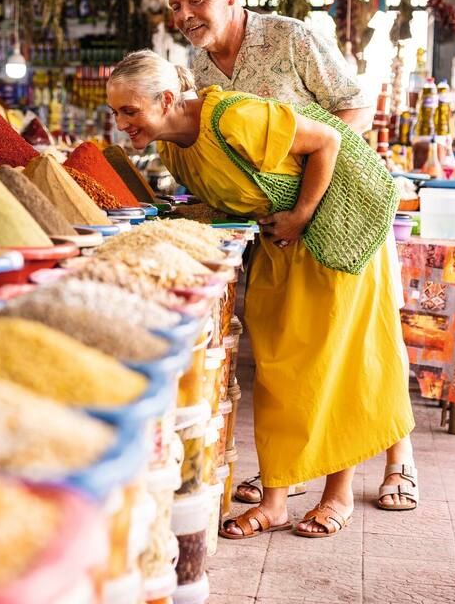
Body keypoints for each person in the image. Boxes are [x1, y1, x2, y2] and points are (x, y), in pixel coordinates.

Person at [107, 50, 415, 538]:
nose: (121, 123)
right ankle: (275, 500)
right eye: (115, 112)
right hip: (282, 241)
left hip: (337, 233)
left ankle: (338, 497)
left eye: (129, 111)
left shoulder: (234, 117)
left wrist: (301, 215)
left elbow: (329, 141)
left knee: (336, 362)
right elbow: (226, 196)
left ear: (166, 99)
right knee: (277, 368)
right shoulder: (171, 149)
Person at [168, 0, 419, 512]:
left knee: (362, 348)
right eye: (177, 5)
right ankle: (292, 471)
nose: (185, 14)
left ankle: (396, 465)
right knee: (301, 358)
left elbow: (354, 109)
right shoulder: (200, 68)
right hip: (281, 229)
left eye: (197, 0)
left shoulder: (289, 39)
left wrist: (309, 191)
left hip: (343, 208)